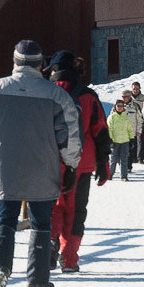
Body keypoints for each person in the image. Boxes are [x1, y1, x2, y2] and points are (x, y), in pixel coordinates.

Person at [0, 39, 81, 287]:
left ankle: (0, 269)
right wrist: (72, 165)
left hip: (5, 165)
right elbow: (70, 135)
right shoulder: (56, 95)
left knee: (6, 220)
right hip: (43, 166)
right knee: (41, 222)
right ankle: (38, 280)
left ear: (15, 62)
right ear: (41, 65)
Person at [44, 52, 110, 274]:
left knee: (53, 208)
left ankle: (50, 244)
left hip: (51, 161)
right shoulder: (88, 96)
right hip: (82, 163)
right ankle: (69, 259)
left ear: (54, 69)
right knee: (76, 211)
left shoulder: (45, 94)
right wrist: (104, 165)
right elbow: (100, 131)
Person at [108, 93, 138, 181]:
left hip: (125, 141)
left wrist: (131, 138)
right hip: (115, 141)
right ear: (115, 106)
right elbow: (110, 129)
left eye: (121, 106)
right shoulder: (112, 117)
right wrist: (110, 140)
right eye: (118, 106)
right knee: (113, 159)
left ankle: (124, 176)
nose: (120, 107)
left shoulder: (126, 117)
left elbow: (129, 129)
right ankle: (110, 174)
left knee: (124, 159)